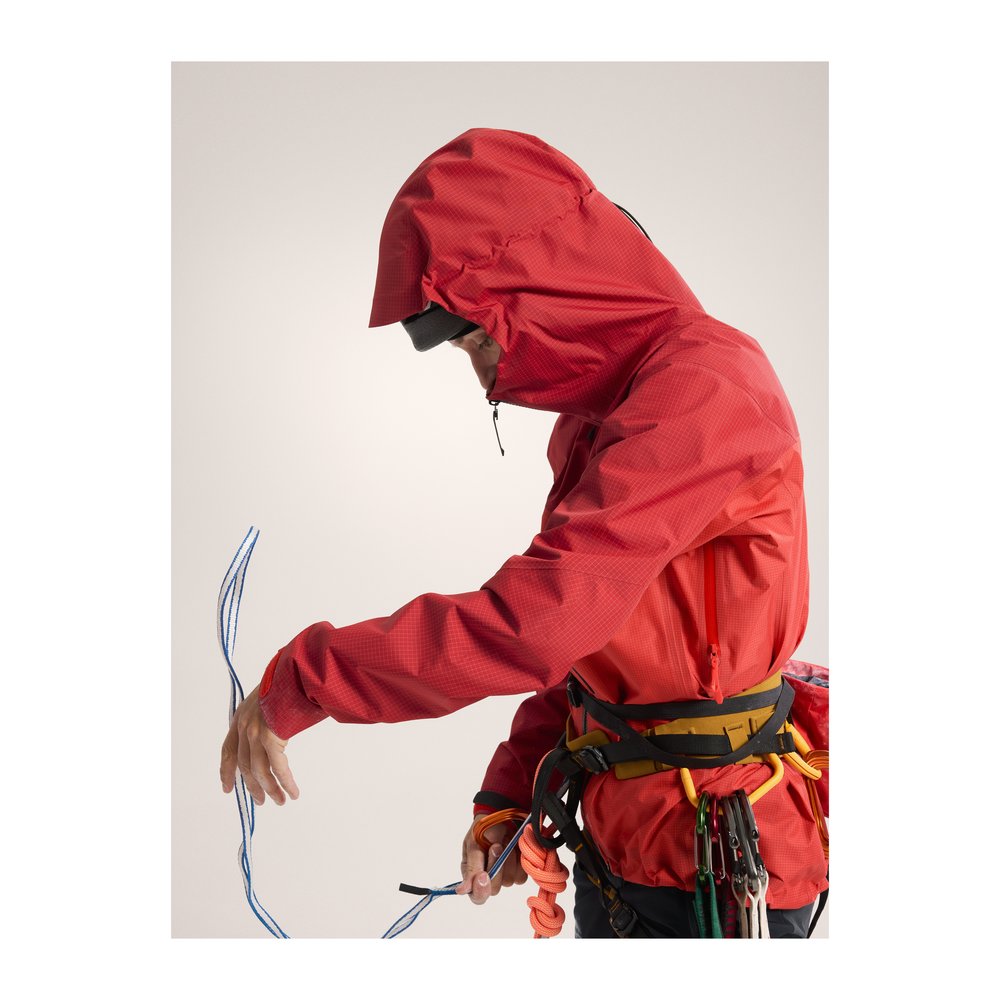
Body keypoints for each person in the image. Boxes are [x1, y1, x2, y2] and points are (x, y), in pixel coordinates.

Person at [219, 127, 827, 937]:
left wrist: (311, 678)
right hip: (623, 849)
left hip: (707, 867)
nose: (483, 377)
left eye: (478, 338)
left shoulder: (703, 393)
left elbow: (539, 622)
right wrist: (509, 796)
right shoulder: (601, 417)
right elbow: (591, 644)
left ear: (549, 291)